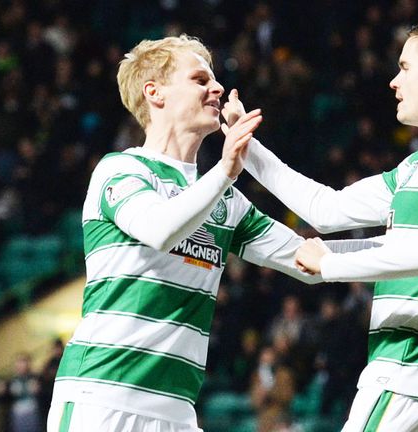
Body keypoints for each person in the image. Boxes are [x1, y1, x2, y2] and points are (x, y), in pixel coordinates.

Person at [228, 13, 418, 432]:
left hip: (412, 378)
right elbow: (326, 210)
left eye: (405, 68)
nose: (394, 82)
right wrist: (244, 145)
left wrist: (331, 265)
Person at [47, 34, 332, 432]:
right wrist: (225, 171)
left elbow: (311, 261)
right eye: (200, 80)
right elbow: (159, 229)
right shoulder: (122, 170)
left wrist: (407, 244)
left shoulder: (224, 199)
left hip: (177, 410)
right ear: (155, 93)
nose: (218, 88)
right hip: (102, 397)